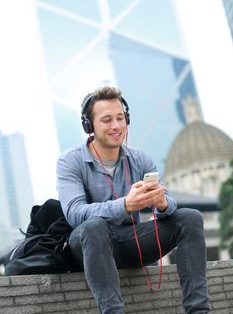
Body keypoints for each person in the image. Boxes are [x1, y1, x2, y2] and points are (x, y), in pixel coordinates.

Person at [56, 86, 210, 314]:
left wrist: (162, 203)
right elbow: (74, 213)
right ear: (89, 127)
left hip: (130, 242)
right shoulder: (70, 161)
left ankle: (198, 311)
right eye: (106, 120)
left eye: (120, 118)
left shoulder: (140, 159)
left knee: (190, 217)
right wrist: (126, 204)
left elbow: (168, 204)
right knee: (94, 226)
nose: (116, 126)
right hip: (90, 246)